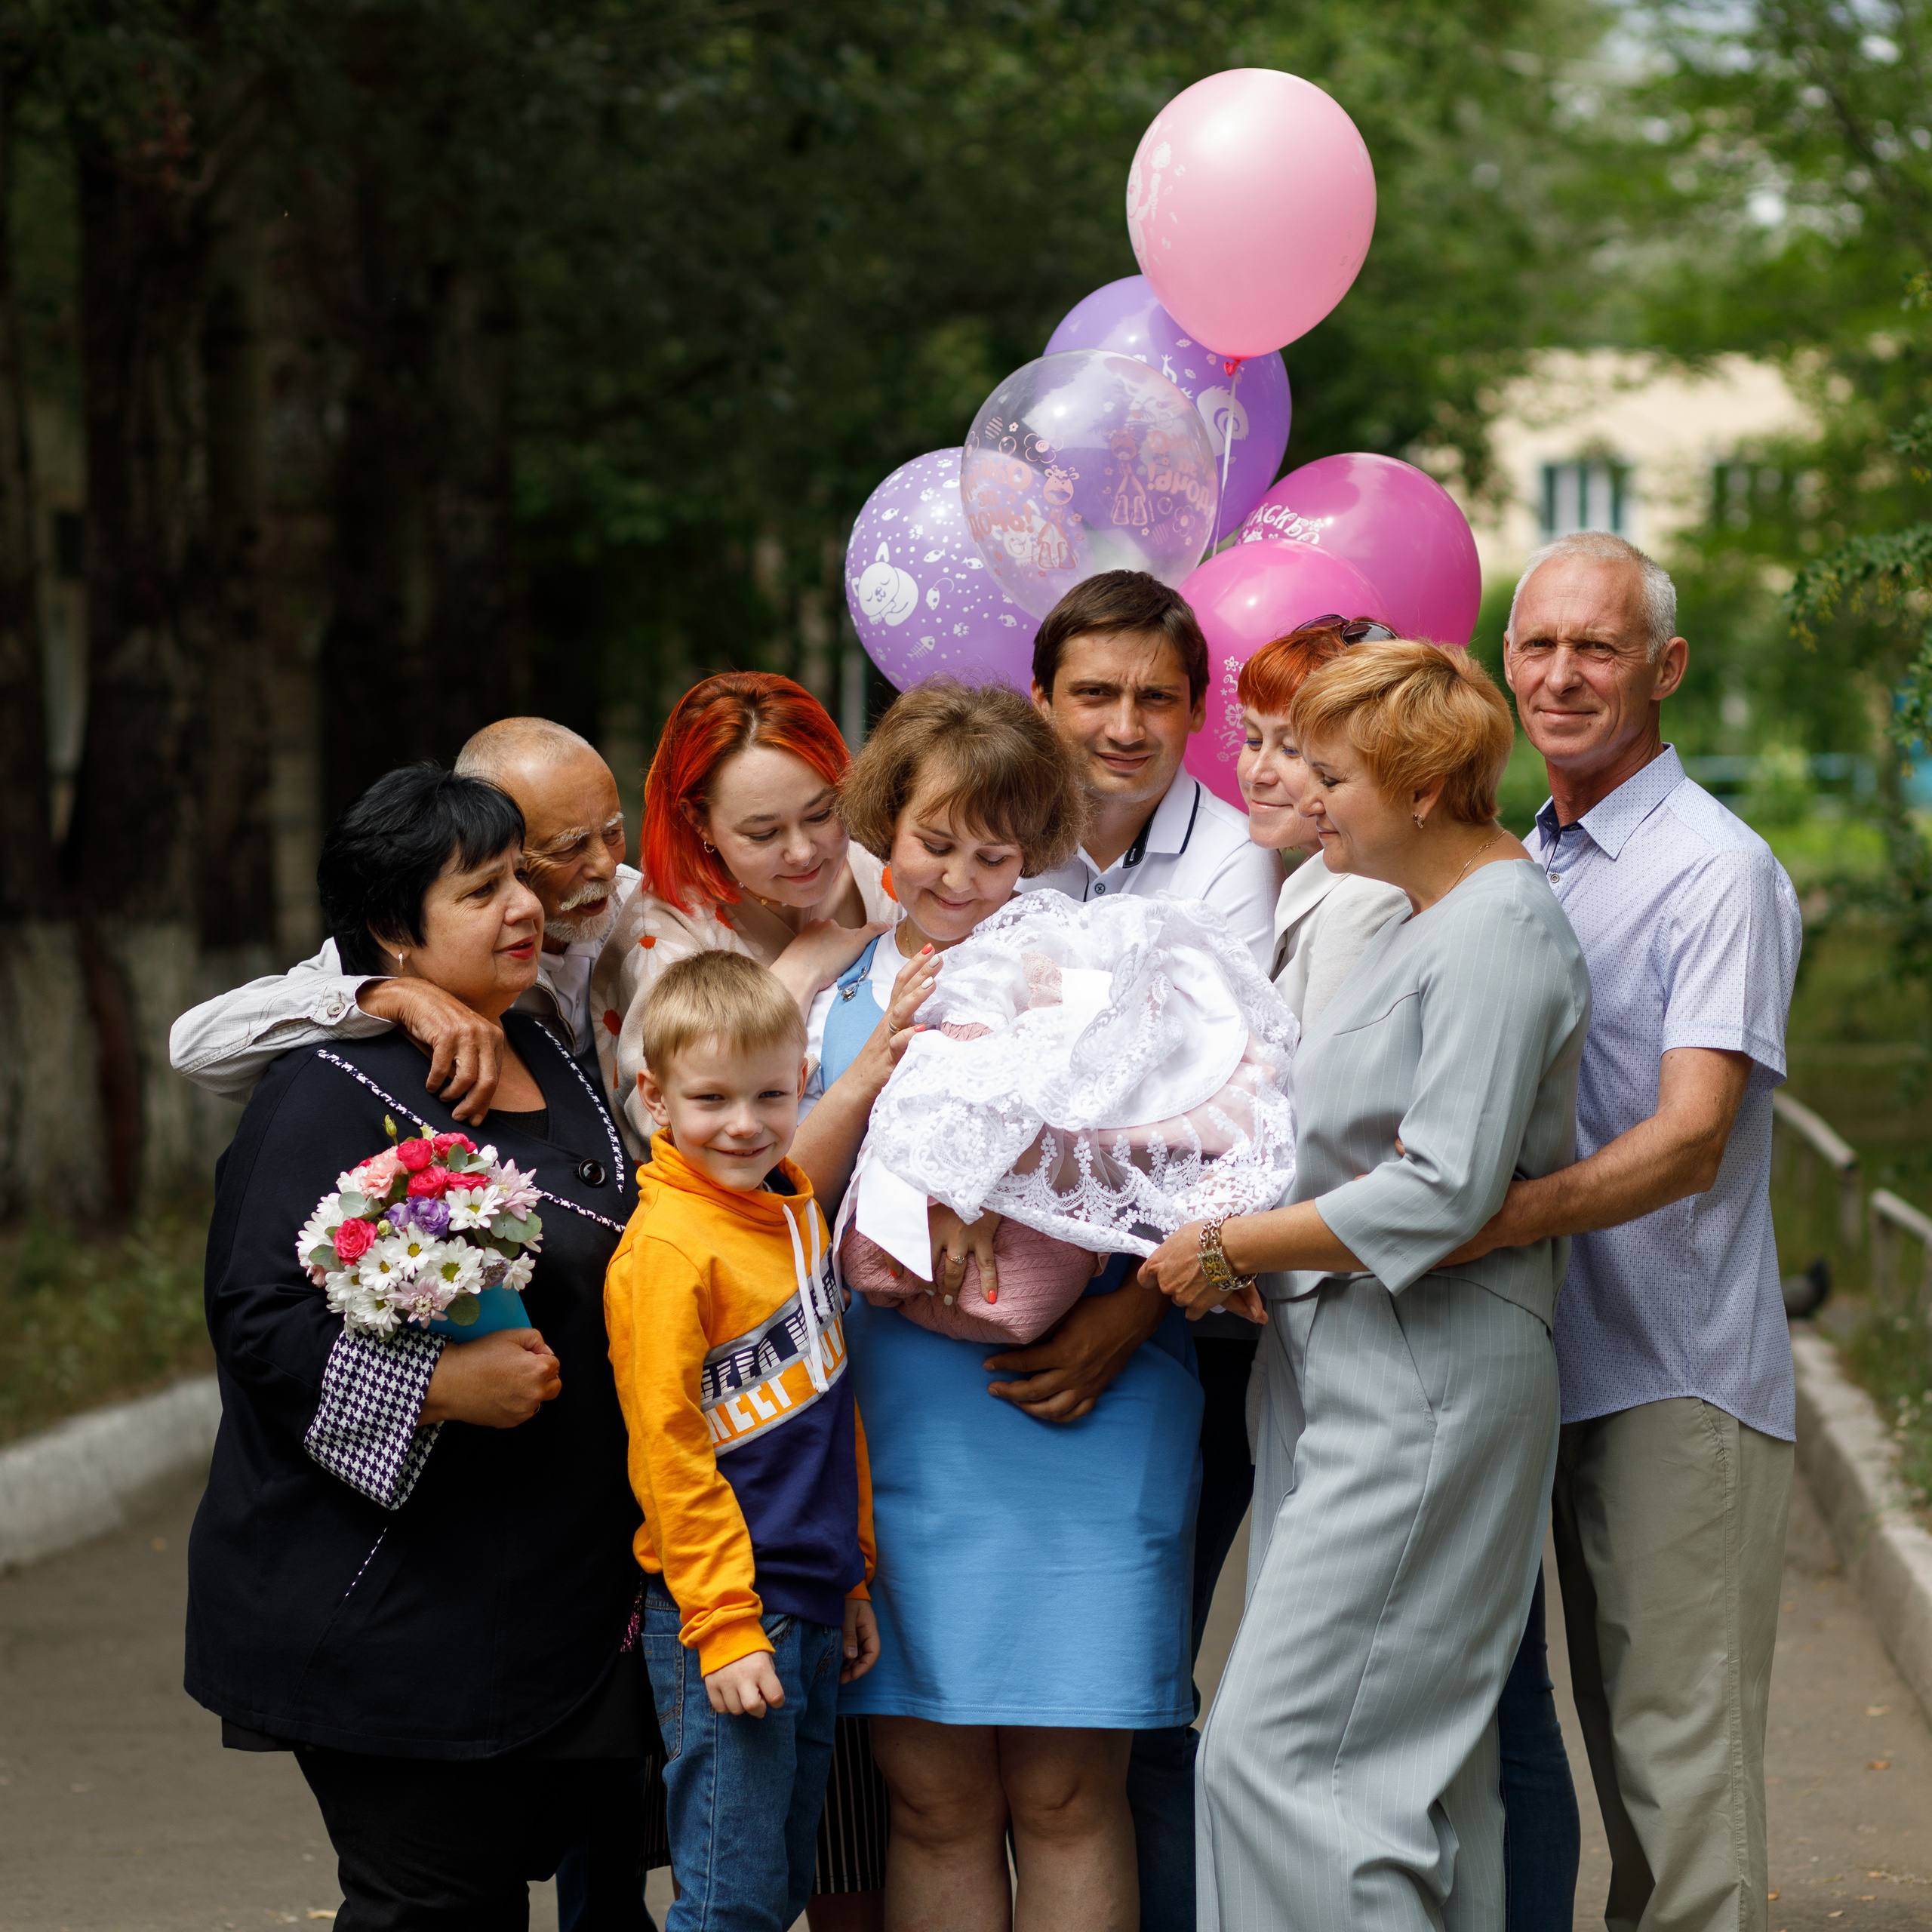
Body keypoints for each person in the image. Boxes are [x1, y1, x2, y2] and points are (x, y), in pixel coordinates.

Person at [1146, 641, 1592, 1930]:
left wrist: (1238, 1246)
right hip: (1370, 1367)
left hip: (1432, 1375)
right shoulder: (1431, 919)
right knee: (1372, 1777)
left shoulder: (1500, 931)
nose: (1307, 793)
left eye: (1334, 773)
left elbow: (1445, 1185)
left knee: (1290, 1765)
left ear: (1426, 785)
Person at [185, 764, 659, 1928]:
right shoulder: (328, 1085)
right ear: (395, 931)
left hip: (570, 1595)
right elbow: (257, 1317)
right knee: (436, 1907)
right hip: (394, 1605)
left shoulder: (547, 1050)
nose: (522, 910)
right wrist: (438, 1383)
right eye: (482, 889)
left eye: (520, 879)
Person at [791, 678, 1204, 1931]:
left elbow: (1201, 1178)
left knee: (1073, 1796)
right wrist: (871, 1076)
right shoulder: (833, 992)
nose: (961, 877)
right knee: (932, 1800)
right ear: (884, 827)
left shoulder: (1111, 974)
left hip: (1088, 1412)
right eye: (934, 842)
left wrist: (1122, 1306)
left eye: (995, 850)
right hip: (898, 1428)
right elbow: (781, 1206)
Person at [1450, 531, 1802, 1932]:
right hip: (1542, 1365)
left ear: (1665, 670)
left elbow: (1691, 1134)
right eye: (1536, 646)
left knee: (1678, 1793)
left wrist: (1475, 1229)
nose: (1560, 675)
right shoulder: (1523, 857)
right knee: (1585, 1760)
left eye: (1596, 648)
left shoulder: (1719, 871)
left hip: (1675, 1380)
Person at [971, 571, 1277, 1929]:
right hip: (975, 1329)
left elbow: (1215, 1108)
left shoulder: (1239, 860)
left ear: (1197, 710)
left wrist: (1123, 1317)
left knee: (1138, 1690)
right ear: (1042, 700)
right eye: (1093, 692)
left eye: (1157, 695)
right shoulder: (989, 843)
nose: (1124, 723)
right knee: (985, 1710)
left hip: (1177, 1330)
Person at [606, 949, 881, 1932]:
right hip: (725, 1617)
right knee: (730, 1903)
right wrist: (721, 1624)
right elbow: (668, 1457)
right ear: (655, 1093)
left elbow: (830, 1411)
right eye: (711, 1097)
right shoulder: (667, 1246)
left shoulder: (795, 1212)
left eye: (770, 1094)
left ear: (803, 1080)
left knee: (778, 1889)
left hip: (807, 1598)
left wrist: (849, 1576)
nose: (743, 1122)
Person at [171, 717, 635, 1123]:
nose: (606, 867)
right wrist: (394, 995)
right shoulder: (405, 948)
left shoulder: (647, 908)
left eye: (613, 833)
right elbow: (196, 1046)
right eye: (567, 847)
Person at [592, 672, 899, 1157]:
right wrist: (795, 979)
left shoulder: (880, 864)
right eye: (763, 834)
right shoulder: (661, 936)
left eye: (822, 813)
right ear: (698, 820)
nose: (803, 853)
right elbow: (676, 1138)